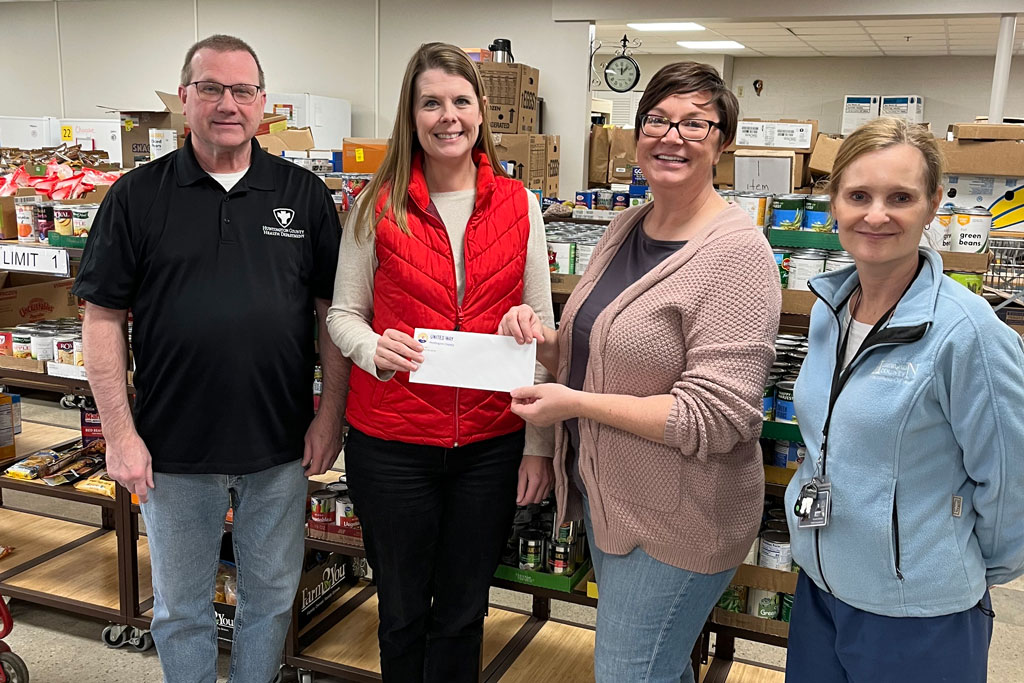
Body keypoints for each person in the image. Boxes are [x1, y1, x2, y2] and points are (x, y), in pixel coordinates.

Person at [74, 35, 346, 683]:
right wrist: (119, 434)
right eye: (212, 89)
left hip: (279, 447)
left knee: (270, 600)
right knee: (180, 609)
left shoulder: (304, 195)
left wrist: (330, 416)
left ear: (263, 104)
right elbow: (101, 319)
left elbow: (334, 317)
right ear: (185, 99)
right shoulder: (136, 197)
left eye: (243, 90)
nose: (229, 103)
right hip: (171, 450)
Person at [498, 62, 781, 682]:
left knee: (630, 673)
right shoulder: (629, 225)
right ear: (636, 132)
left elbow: (718, 417)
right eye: (657, 119)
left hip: (678, 522)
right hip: (614, 504)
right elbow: (597, 354)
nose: (671, 136)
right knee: (659, 669)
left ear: (722, 143)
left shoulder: (738, 254)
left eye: (695, 124)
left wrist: (573, 404)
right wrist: (539, 341)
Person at [325, 42, 554, 682]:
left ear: (482, 113)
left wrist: (538, 442)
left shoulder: (519, 204)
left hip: (489, 445)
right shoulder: (376, 204)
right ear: (412, 114)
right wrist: (374, 347)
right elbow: (343, 314)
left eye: (460, 100)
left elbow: (543, 331)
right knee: (399, 612)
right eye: (431, 102)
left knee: (463, 612)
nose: (447, 116)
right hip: (393, 443)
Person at [784, 117, 1024, 681]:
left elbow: (1013, 483)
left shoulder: (969, 335)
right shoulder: (829, 309)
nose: (876, 214)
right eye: (858, 195)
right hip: (820, 591)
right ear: (834, 202)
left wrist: (945, 567)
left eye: (900, 197)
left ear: (933, 203)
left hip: (920, 616)